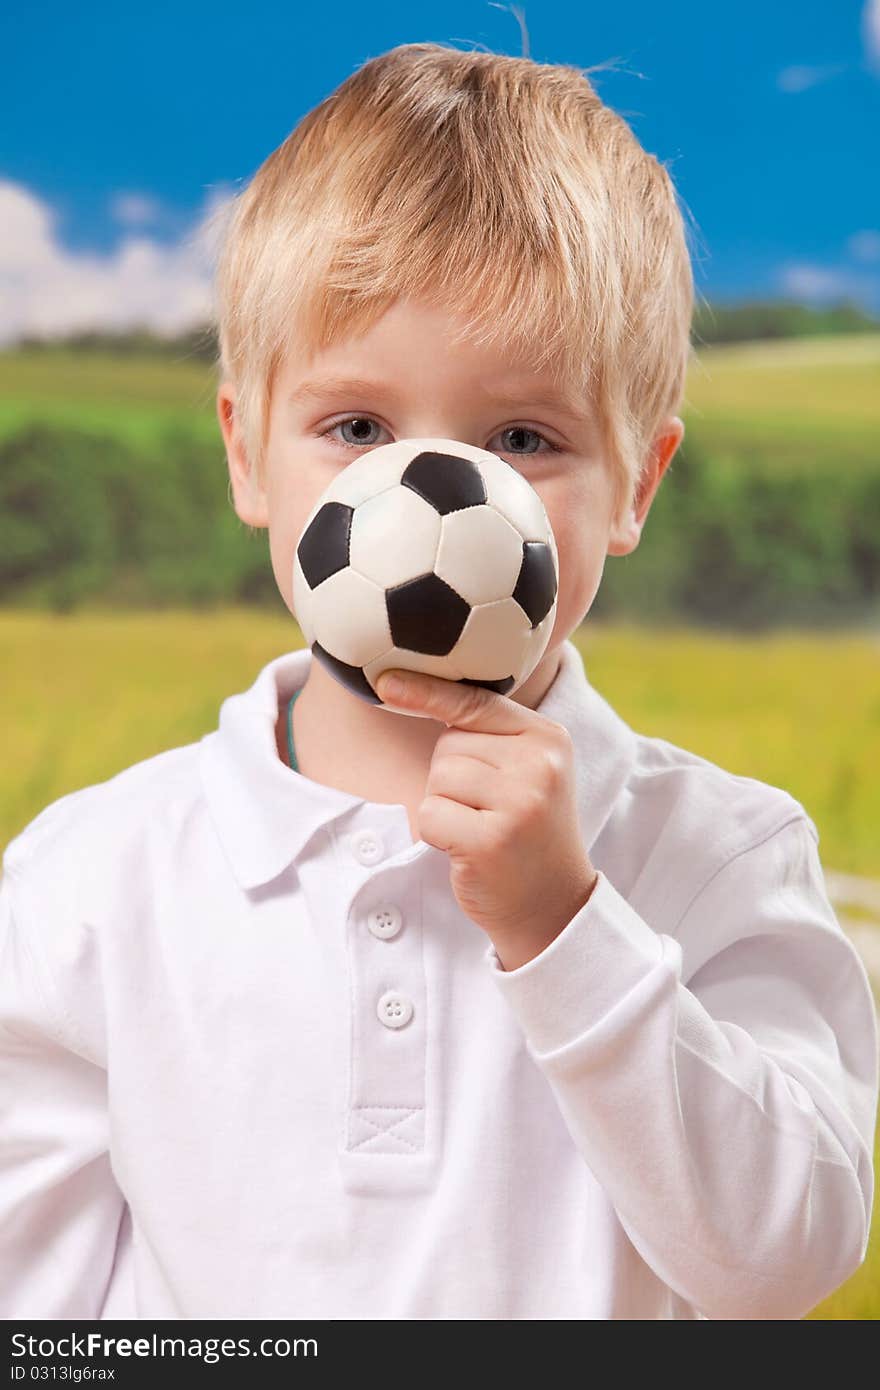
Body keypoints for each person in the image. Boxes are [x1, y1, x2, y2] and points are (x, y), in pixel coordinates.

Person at [1, 42, 876, 1323]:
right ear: (249, 454)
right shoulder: (91, 885)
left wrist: (568, 928)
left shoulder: (722, 857)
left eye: (522, 438)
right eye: (357, 428)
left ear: (636, 482)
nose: (427, 500)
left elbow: (786, 1260)